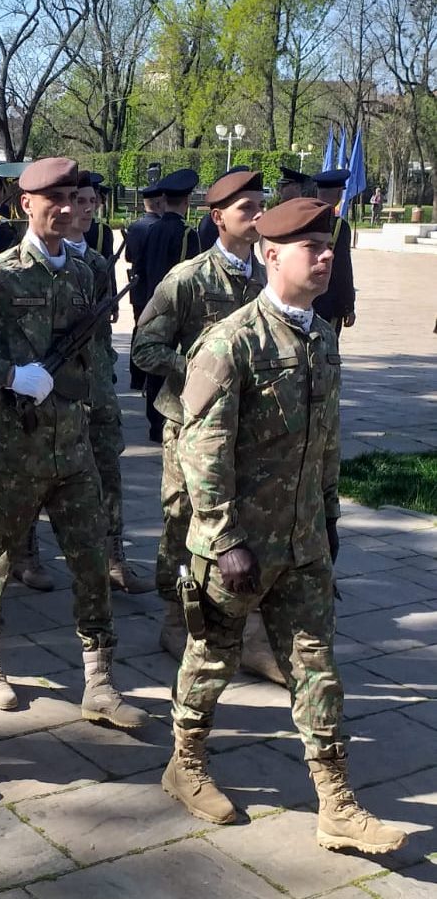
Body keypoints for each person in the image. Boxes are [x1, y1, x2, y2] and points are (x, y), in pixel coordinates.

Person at [164, 196, 407, 855]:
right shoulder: (231, 341)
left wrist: (328, 517)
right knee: (211, 659)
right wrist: (223, 537)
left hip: (302, 542)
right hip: (237, 546)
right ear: (272, 255)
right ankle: (185, 766)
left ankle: (337, 803)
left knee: (317, 669)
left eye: (329, 245)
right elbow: (201, 450)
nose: (327, 256)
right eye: (313, 248)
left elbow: (326, 441)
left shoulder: (322, 336)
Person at [0, 157, 146, 729]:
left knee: (91, 555)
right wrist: (9, 374)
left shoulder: (90, 271)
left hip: (72, 441)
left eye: (76, 199)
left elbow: (94, 350)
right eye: (55, 201)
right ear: (26, 205)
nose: (69, 210)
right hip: (10, 442)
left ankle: (99, 678)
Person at [133, 169, 281, 684]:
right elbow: (144, 349)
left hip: (251, 430)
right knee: (183, 523)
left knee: (249, 522)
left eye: (262, 206)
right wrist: (203, 371)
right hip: (193, 428)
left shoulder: (267, 278)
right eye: (247, 209)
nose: (258, 216)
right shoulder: (188, 279)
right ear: (217, 218)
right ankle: (178, 620)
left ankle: (252, 631)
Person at [64, 171, 152, 595]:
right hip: (54, 391)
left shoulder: (99, 262)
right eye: (78, 199)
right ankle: (24, 556)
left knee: (108, 473)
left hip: (97, 384)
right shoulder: (44, 259)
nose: (85, 208)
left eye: (90, 201)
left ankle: (114, 558)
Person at [136, 168, 200, 443]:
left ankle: (154, 422)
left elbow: (141, 267)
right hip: (177, 307)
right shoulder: (187, 234)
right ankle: (167, 418)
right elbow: (191, 274)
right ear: (186, 202)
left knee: (155, 366)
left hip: (153, 302)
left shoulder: (153, 229)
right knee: (174, 365)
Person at [125, 183, 163, 390]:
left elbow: (129, 256)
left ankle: (136, 376)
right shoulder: (158, 228)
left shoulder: (135, 226)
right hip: (154, 287)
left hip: (137, 287)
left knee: (138, 329)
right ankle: (149, 376)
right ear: (158, 203)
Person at [313, 169, 356, 339]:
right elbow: (342, 269)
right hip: (327, 302)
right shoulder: (339, 226)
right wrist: (348, 306)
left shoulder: (301, 220)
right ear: (339, 193)